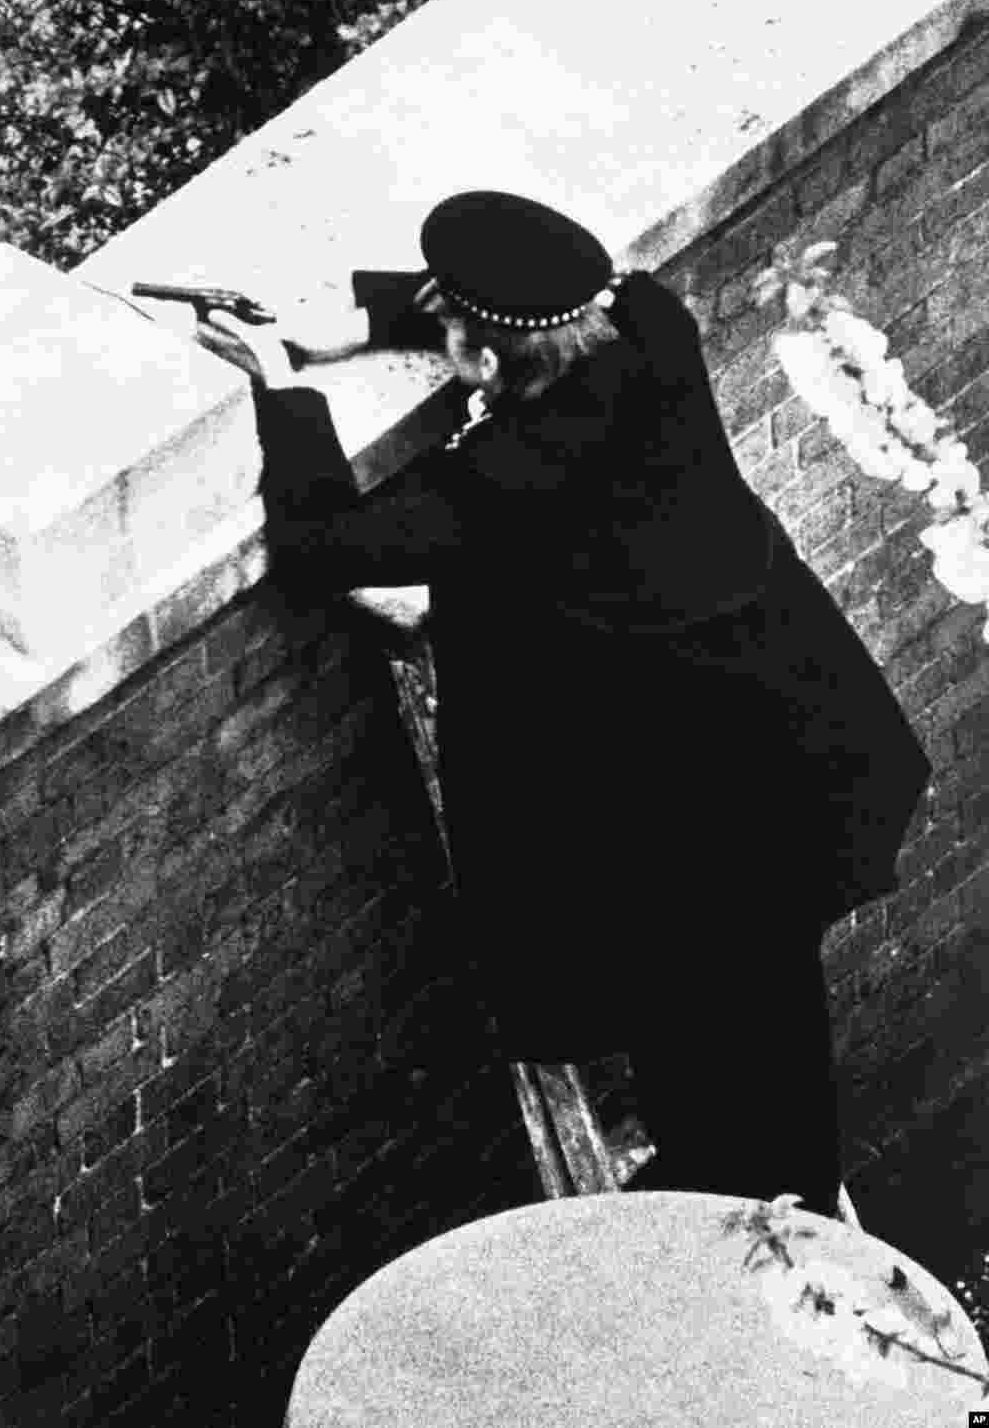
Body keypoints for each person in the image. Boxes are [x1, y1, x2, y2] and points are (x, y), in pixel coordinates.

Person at [205, 189, 932, 1218]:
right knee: (770, 1009)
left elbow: (324, 547)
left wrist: (281, 381)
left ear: (488, 363)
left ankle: (726, 1202)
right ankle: (788, 1187)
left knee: (689, 1017)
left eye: (452, 329)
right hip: (783, 753)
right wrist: (373, 319)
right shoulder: (652, 335)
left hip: (678, 821)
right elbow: (585, 293)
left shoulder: (507, 475)